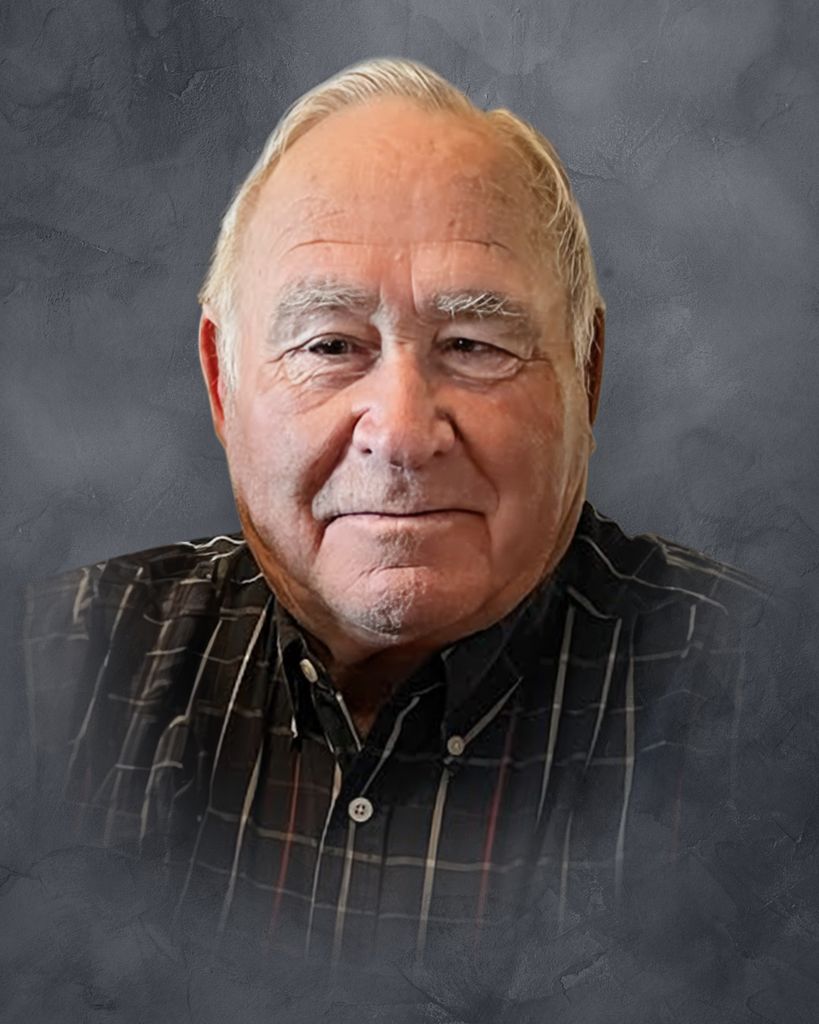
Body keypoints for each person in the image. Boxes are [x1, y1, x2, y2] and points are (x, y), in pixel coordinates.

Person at [23, 57, 804, 1022]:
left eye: (473, 345)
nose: (398, 432)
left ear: (586, 375)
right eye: (328, 345)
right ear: (223, 386)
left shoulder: (769, 705)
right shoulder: (60, 662)